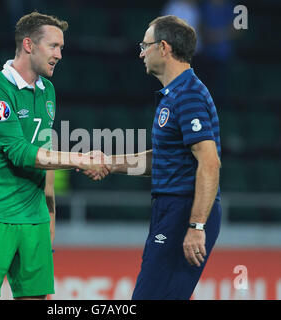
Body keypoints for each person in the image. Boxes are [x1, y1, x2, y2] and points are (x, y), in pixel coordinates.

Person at [0, 12, 109, 300]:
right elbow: (21, 153)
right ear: (29, 44)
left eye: (61, 48)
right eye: (53, 46)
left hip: (34, 222)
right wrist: (79, 159)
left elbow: (45, 154)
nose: (60, 55)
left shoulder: (48, 91)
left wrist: (49, 220)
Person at [88, 15, 222, 300]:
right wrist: (110, 164)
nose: (140, 52)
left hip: (184, 209)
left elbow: (209, 163)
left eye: (144, 45)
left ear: (164, 47)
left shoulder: (189, 95)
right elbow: (163, 159)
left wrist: (196, 226)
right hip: (171, 209)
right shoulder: (174, 95)